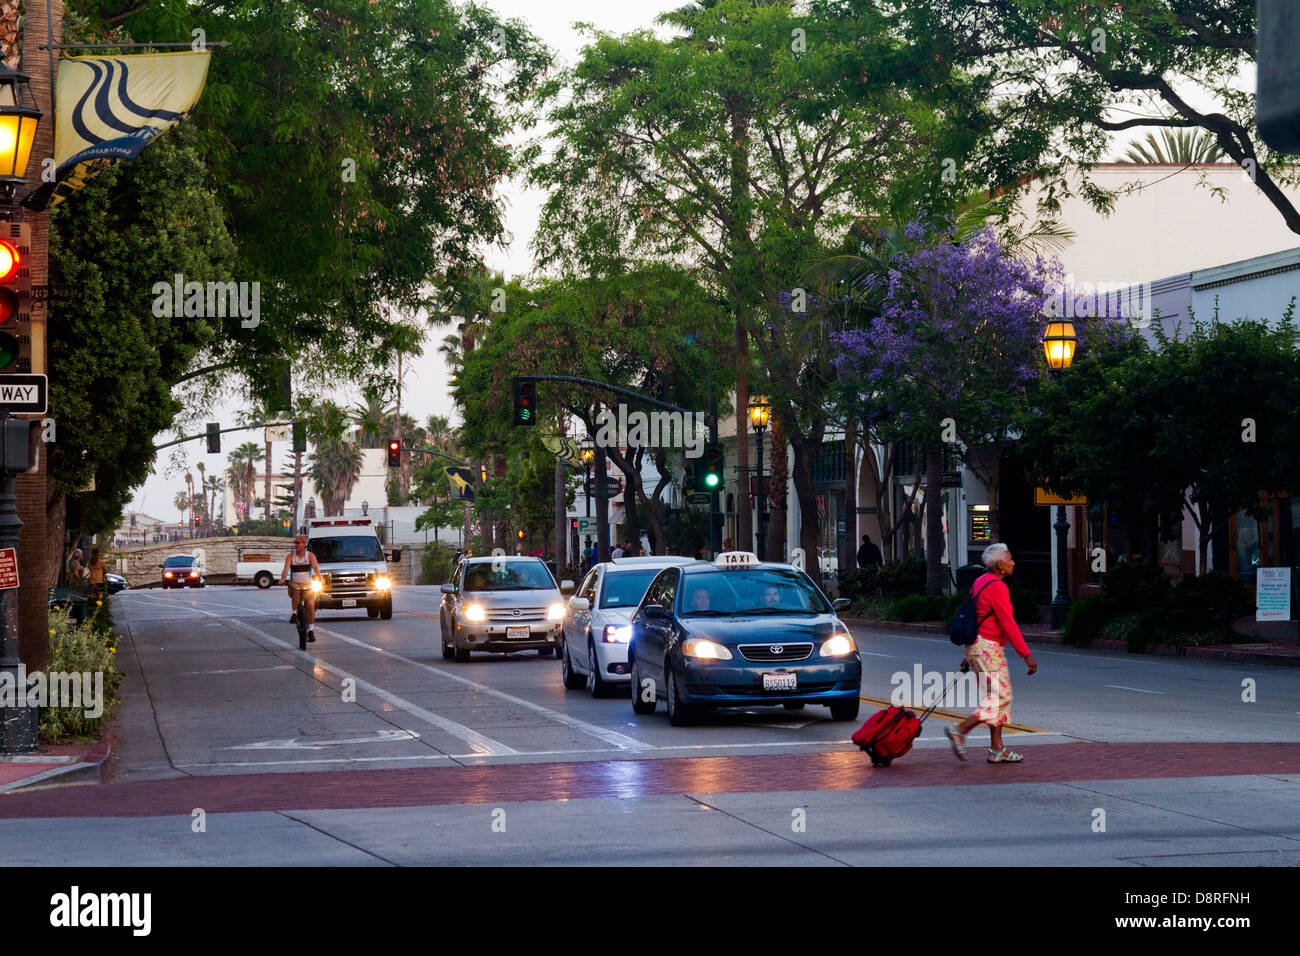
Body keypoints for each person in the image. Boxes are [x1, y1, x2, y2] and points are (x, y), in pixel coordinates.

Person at [945, 542, 1037, 763]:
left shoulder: (979, 582)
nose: (1013, 562)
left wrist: (968, 657)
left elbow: (975, 618)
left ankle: (997, 748)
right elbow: (1009, 624)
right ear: (1000, 564)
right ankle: (961, 730)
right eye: (1010, 558)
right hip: (988, 648)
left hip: (977, 647)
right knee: (1001, 696)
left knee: (993, 697)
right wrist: (1026, 656)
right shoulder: (997, 587)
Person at [279, 535, 321, 643]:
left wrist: (320, 578)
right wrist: (283, 579)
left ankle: (311, 630)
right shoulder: (290, 556)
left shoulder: (310, 556)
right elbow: (286, 569)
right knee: (296, 591)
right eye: (296, 543)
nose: (296, 545)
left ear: (304, 545)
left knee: (311, 605)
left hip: (308, 584)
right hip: (295, 584)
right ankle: (294, 613)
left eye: (299, 543)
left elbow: (316, 568)